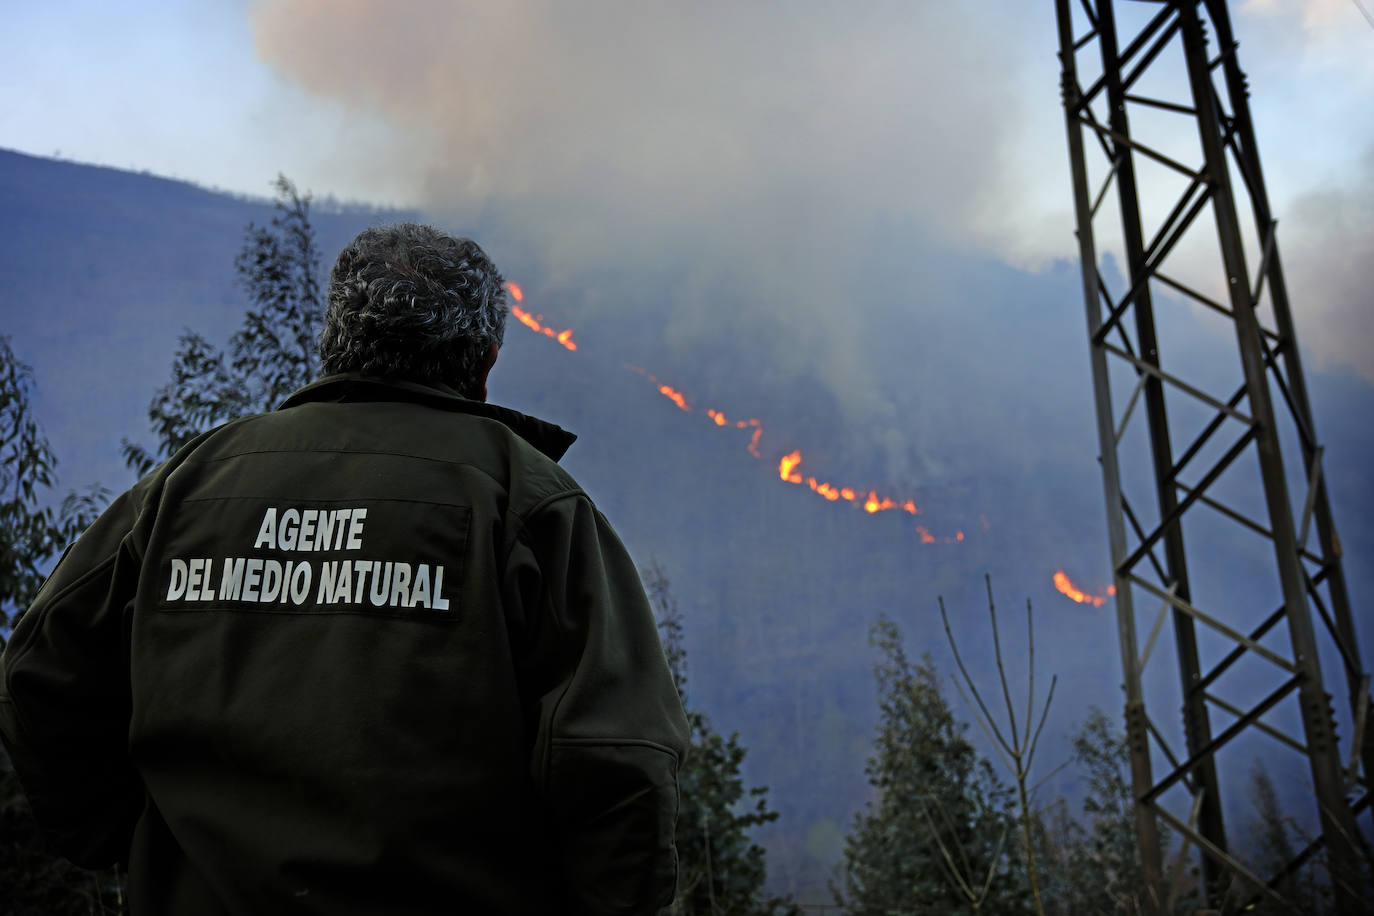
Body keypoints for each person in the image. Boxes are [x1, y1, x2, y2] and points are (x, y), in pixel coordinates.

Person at [0, 223, 690, 914]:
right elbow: (618, 758)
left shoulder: (189, 484)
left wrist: (124, 838)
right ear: (485, 359)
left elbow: (38, 669)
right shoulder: (525, 501)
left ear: (332, 341)